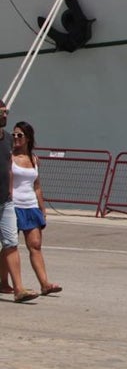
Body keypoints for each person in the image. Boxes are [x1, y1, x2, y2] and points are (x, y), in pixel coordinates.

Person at [9, 121, 62, 296]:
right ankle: (4, 281)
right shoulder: (8, 157)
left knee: (35, 245)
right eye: (14, 135)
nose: (16, 138)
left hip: (30, 206)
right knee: (10, 246)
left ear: (28, 138)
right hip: (12, 206)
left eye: (20, 135)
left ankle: (45, 284)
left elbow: (37, 185)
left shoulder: (34, 159)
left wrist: (42, 207)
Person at [0, 105, 39, 302]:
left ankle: (18, 290)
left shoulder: (7, 139)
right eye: (1, 112)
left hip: (6, 203)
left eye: (6, 112)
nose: (5, 115)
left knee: (11, 243)